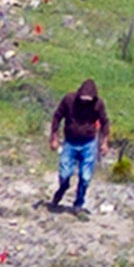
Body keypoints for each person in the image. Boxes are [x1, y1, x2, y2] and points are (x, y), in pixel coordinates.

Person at [49, 78, 110, 214]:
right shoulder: (69, 100)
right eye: (83, 99)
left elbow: (105, 122)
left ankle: (78, 203)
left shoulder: (98, 104)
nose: (85, 102)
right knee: (65, 173)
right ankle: (62, 188)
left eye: (88, 100)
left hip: (88, 143)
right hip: (70, 142)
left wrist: (104, 142)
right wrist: (54, 137)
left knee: (85, 177)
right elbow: (57, 117)